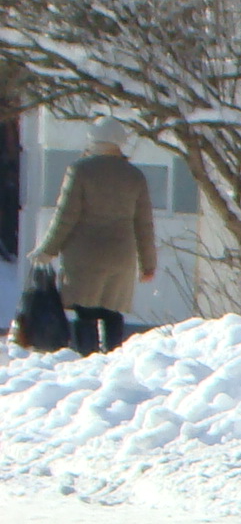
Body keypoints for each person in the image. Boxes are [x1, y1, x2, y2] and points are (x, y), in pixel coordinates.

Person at [30, 120, 155, 354]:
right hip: (121, 256)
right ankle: (113, 360)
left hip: (84, 255)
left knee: (85, 312)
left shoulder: (80, 170)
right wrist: (148, 264)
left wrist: (48, 249)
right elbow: (144, 224)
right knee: (112, 311)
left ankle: (87, 361)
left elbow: (65, 216)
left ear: (92, 139)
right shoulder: (134, 176)